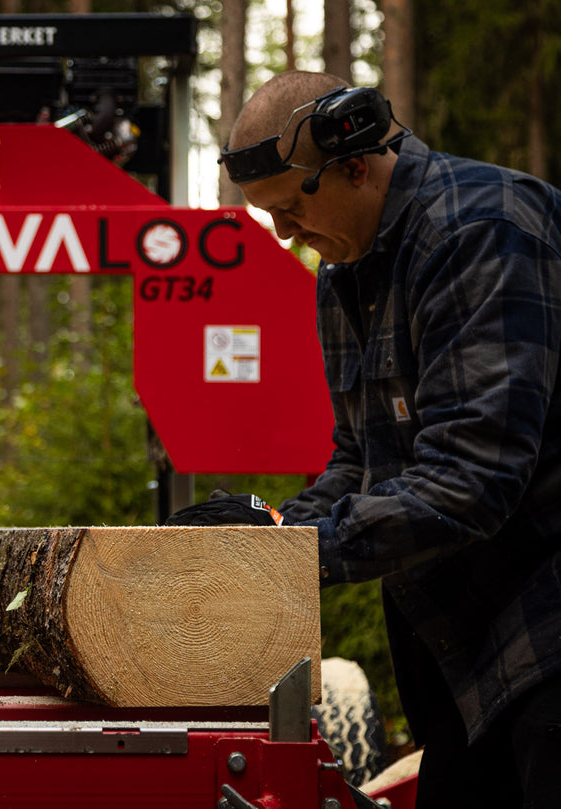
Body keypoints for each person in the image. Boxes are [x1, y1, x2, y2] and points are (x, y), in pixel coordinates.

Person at [200, 71, 561, 806]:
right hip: (467, 662)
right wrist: (264, 531)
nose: (281, 234)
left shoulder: (482, 230)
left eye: (288, 209)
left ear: (355, 164)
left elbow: (471, 481)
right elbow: (362, 462)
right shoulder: (343, 278)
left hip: (547, 639)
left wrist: (298, 552)